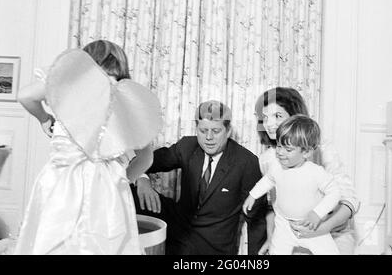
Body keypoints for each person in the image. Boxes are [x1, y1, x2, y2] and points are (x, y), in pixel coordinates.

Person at [14, 40, 162, 255]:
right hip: (106, 186)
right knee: (104, 243)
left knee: (54, 240)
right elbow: (146, 157)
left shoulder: (68, 83)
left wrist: (44, 118)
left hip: (61, 182)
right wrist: (123, 178)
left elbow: (25, 96)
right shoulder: (126, 98)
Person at [132, 100, 267, 255]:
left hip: (213, 247)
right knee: (128, 189)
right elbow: (147, 161)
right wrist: (142, 178)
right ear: (196, 129)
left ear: (228, 131)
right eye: (203, 131)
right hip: (179, 233)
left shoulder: (246, 162)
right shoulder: (187, 146)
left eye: (216, 131)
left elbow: (256, 221)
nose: (208, 137)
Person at [255, 87, 360, 255]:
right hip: (291, 236)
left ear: (296, 117)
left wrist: (322, 229)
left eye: (277, 116)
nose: (269, 124)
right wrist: (271, 237)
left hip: (333, 234)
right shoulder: (267, 159)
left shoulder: (323, 149)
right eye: (265, 117)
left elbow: (350, 200)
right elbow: (272, 207)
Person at [243, 115, 341, 255]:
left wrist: (317, 214)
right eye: (279, 146)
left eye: (288, 149)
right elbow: (268, 180)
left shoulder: (315, 172)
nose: (280, 153)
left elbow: (335, 193)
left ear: (306, 152)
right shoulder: (277, 167)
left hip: (310, 226)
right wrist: (253, 195)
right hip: (284, 225)